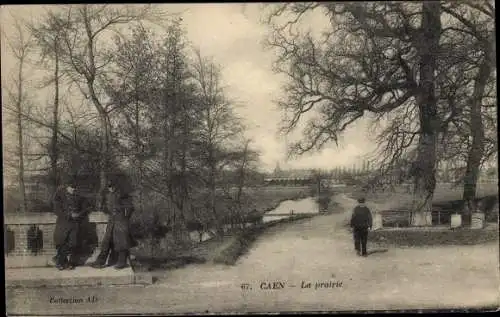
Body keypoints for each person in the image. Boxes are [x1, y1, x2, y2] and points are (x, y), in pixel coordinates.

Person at [91, 181, 135, 269]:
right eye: (109, 187)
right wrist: (104, 209)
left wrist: (125, 218)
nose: (111, 188)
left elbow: (130, 207)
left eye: (112, 186)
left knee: (122, 241)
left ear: (116, 186)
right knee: (107, 241)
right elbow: (105, 207)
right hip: (112, 220)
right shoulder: (108, 195)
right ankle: (100, 261)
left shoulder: (123, 195)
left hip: (121, 220)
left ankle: (121, 262)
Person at [52, 180, 88, 270]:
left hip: (74, 223)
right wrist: (69, 215)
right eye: (71, 187)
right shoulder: (60, 197)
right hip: (63, 223)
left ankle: (58, 259)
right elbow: (57, 210)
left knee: (73, 243)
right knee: (62, 243)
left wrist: (79, 214)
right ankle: (62, 262)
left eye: (75, 187)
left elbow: (86, 208)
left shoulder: (78, 197)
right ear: (67, 187)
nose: (73, 189)